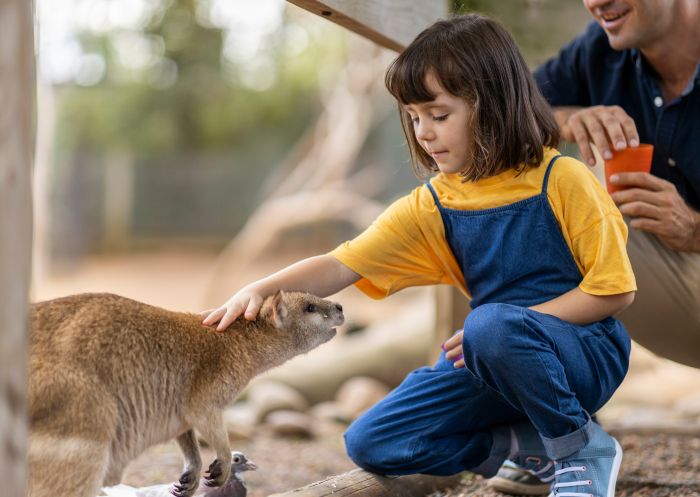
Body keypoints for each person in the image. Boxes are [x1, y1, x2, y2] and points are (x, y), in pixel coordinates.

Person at [202, 14, 636, 497]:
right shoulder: (435, 202)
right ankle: (527, 444)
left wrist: (503, 327)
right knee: (374, 440)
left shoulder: (563, 179)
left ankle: (580, 449)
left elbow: (613, 291)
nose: (424, 132)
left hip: (585, 352)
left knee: (491, 325)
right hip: (488, 354)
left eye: (439, 115)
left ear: (491, 105)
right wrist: (256, 290)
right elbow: (340, 263)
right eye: (413, 116)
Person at [488, 0, 700, 494]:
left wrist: (693, 228)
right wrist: (567, 119)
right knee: (506, 193)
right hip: (660, 295)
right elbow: (498, 114)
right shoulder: (599, 51)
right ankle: (559, 437)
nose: (596, 2)